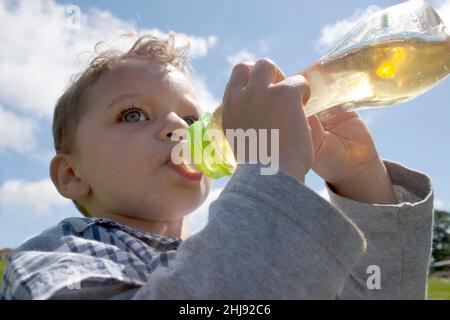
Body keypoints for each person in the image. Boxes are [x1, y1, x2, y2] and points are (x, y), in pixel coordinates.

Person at [0, 33, 434, 299]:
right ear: (72, 174)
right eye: (133, 114)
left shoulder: (233, 244)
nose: (176, 126)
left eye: (190, 119)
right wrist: (269, 169)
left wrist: (359, 178)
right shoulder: (57, 259)